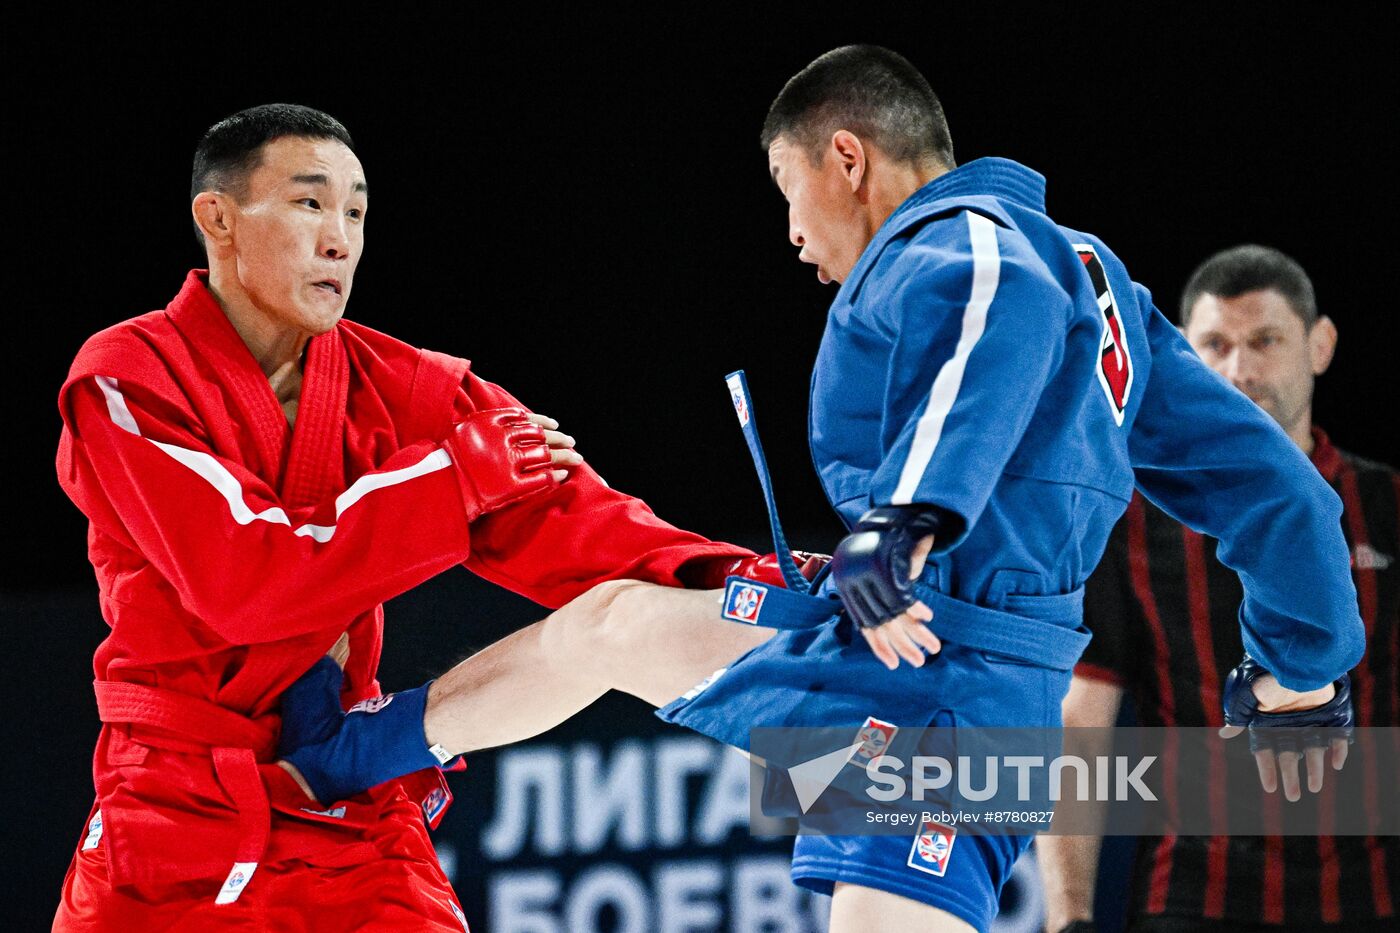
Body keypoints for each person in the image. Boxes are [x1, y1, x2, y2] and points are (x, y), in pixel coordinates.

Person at [278, 48, 1365, 933]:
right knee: (612, 624)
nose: (793, 234)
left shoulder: (980, 247)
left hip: (958, 704)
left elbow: (992, 320)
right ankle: (350, 757)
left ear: (847, 157)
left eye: (786, 190)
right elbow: (1279, 493)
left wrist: (903, 522)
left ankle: (349, 757)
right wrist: (1301, 672)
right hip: (896, 651)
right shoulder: (1100, 291)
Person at [50, 103, 805, 931]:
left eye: (356, 213)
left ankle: (897, 797)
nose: (340, 239)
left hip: (349, 803)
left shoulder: (410, 391)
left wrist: (744, 573)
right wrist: (452, 480)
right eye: (310, 203)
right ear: (218, 218)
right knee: (617, 632)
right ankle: (899, 798)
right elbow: (246, 579)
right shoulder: (127, 378)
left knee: (629, 623)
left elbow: (587, 529)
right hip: (169, 821)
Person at [1038, 245, 1398, 933]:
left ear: (1320, 345)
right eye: (1214, 346)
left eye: (1265, 341)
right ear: (1179, 355)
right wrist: (1068, 917)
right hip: (1193, 892)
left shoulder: (1386, 506)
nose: (1239, 370)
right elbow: (1080, 727)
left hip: (1376, 892)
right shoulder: (1126, 523)